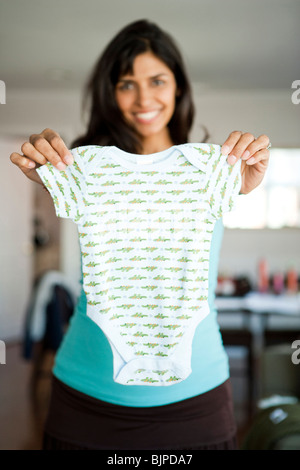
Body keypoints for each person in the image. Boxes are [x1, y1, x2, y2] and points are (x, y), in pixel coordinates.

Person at [10, 19, 270, 451]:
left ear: (179, 87)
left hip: (196, 397)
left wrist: (240, 182)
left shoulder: (213, 167)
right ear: (110, 93)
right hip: (86, 395)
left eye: (157, 81)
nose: (144, 98)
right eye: (127, 84)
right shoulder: (83, 165)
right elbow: (57, 172)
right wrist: (52, 174)